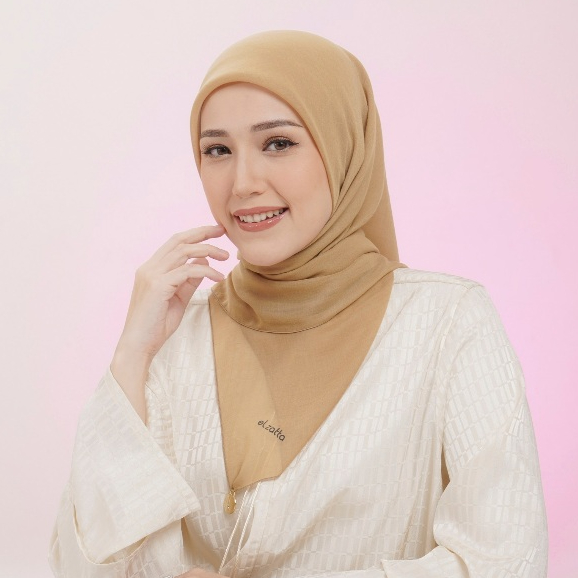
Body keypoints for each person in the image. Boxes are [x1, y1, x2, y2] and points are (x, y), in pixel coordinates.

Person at [48, 30, 548, 578]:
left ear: (344, 148)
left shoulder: (447, 323)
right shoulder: (172, 335)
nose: (242, 183)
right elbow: (80, 566)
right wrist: (130, 358)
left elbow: (505, 563)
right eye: (218, 150)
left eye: (278, 143)